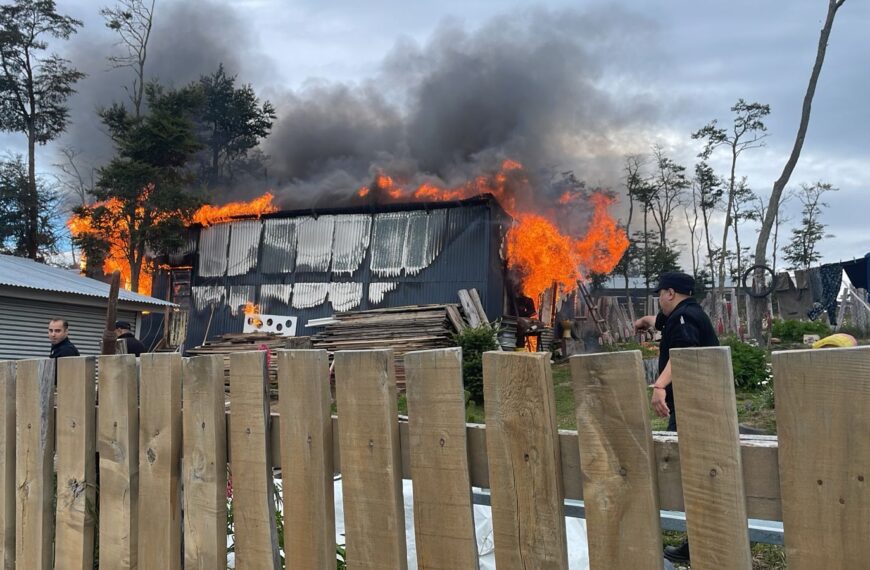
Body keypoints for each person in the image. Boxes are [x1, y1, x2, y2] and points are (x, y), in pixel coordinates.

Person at [634, 271, 718, 565]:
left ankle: (699, 544)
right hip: (697, 405)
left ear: (670, 293)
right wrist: (645, 321)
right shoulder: (686, 313)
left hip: (695, 408)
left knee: (695, 473)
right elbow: (663, 323)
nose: (659, 299)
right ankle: (698, 540)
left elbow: (684, 352)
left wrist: (659, 386)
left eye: (660, 294)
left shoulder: (682, 319)